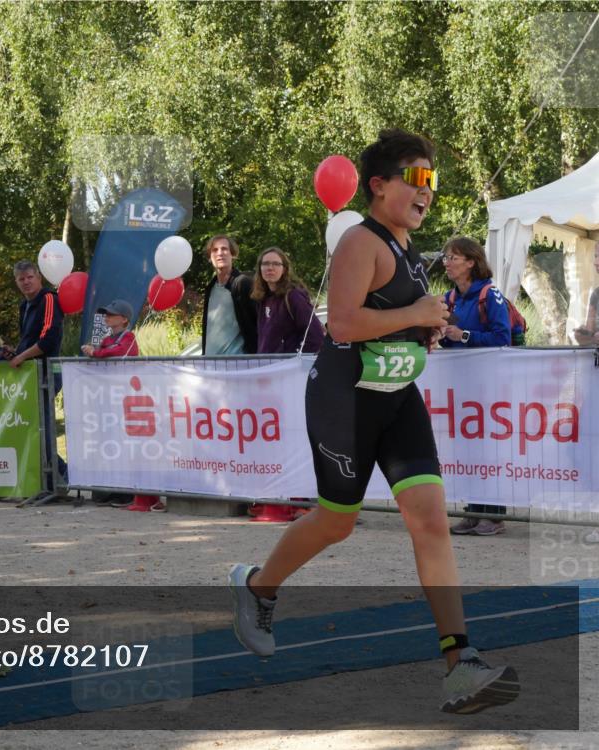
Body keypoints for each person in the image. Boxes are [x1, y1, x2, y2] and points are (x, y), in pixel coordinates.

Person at [228, 129, 518, 715]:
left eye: (432, 179)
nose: (428, 190)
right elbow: (342, 326)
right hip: (344, 400)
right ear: (379, 185)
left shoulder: (408, 247)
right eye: (416, 177)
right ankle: (258, 586)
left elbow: (389, 321)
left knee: (431, 520)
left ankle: (460, 664)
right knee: (338, 523)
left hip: (397, 398)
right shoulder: (362, 241)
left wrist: (422, 333)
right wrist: (414, 313)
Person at [439, 237, 512, 537]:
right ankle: (473, 511)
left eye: (453, 257)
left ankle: (493, 516)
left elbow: (502, 336)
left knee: (487, 448)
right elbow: (448, 339)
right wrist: (442, 334)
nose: (447, 262)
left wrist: (464, 336)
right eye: (445, 257)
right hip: (462, 384)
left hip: (488, 385)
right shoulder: (449, 297)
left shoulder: (489, 293)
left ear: (471, 262)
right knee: (467, 447)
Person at [248, 248, 325, 522]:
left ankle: (301, 498)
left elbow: (316, 335)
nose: (269, 268)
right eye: (265, 264)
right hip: (269, 378)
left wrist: (296, 364)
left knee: (294, 437)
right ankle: (283, 494)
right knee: (276, 438)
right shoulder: (262, 299)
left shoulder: (293, 297)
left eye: (275, 264)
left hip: (289, 378)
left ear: (284, 267)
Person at [82, 300, 163, 512]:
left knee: (132, 446)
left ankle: (136, 493)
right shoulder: (107, 338)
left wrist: (95, 352)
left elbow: (119, 352)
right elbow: (105, 350)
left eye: (112, 314)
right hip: (110, 400)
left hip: (127, 400)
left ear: (124, 319)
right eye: (106, 313)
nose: (107, 317)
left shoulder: (128, 337)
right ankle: (118, 488)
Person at [10, 259, 66, 491]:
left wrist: (22, 357)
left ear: (39, 277)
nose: (26, 283)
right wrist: (10, 353)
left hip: (46, 371)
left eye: (29, 277)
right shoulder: (24, 306)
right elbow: (26, 341)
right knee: (32, 427)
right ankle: (49, 478)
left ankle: (61, 476)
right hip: (29, 373)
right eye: (21, 279)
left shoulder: (49, 299)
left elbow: (48, 340)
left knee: (42, 427)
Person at [200, 235, 258, 355]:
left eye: (224, 249)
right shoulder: (210, 288)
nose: (220, 253)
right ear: (210, 257)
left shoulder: (242, 283)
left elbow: (258, 323)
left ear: (232, 254)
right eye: (215, 250)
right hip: (211, 364)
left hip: (236, 365)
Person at [573, 245, 599, 346]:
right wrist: (582, 337)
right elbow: (590, 335)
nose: (595, 262)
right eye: (595, 256)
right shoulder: (596, 294)